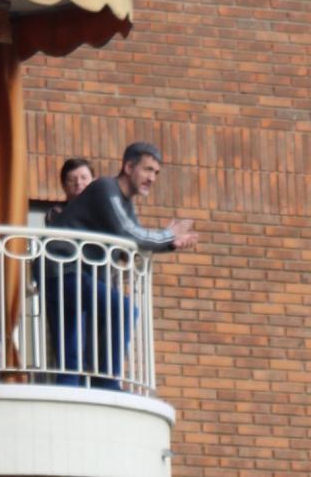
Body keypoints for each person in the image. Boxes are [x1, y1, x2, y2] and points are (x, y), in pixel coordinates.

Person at [43, 142, 199, 388]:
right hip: (62, 269)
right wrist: (167, 235)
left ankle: (85, 386)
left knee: (70, 353)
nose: (152, 178)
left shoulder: (125, 202)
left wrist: (171, 243)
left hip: (66, 272)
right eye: (147, 169)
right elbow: (129, 233)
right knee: (123, 310)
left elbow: (132, 245)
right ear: (128, 167)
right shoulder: (106, 188)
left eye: (156, 173)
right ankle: (106, 383)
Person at [44, 157, 94, 225]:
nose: (78, 183)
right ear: (63, 185)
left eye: (84, 178)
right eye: (72, 179)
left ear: (93, 181)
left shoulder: (102, 209)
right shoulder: (56, 213)